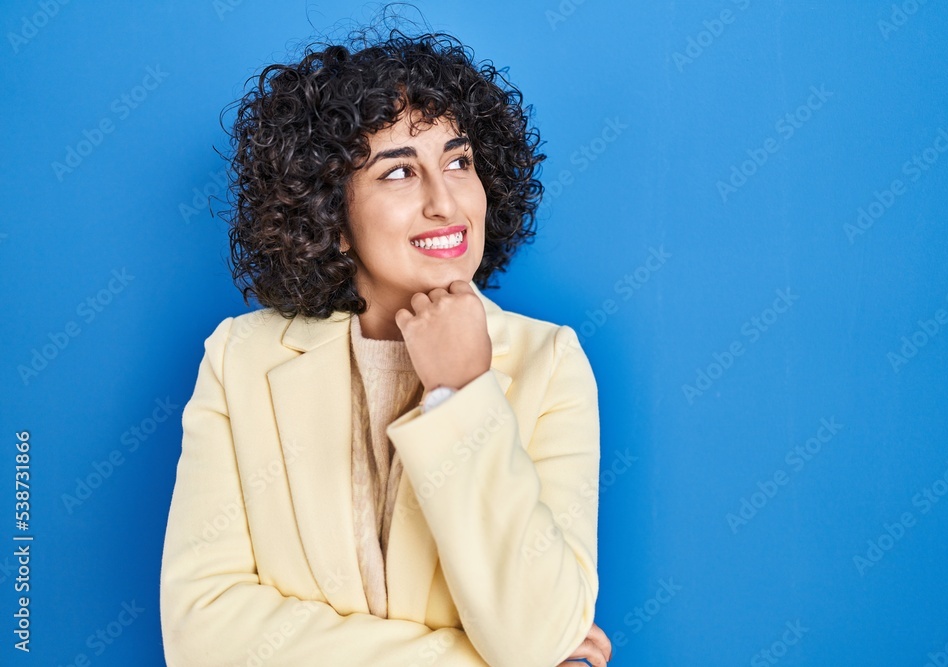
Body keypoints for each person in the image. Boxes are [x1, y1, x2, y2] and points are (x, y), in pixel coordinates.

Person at [160, 14, 612, 667]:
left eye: (458, 161)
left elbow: (535, 631)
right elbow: (202, 634)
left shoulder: (551, 363)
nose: (445, 202)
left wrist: (462, 392)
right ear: (331, 214)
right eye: (399, 173)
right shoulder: (240, 360)